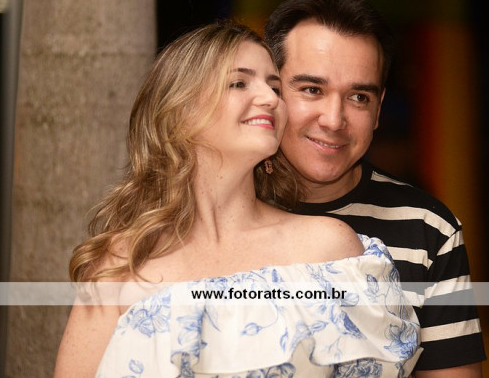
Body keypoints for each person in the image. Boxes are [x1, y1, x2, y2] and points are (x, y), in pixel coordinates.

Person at [53, 21, 422, 377]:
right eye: (239, 83)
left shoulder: (330, 248)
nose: (270, 99)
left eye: (274, 86)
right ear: (181, 110)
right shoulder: (122, 264)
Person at [264, 0, 487, 376]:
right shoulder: (219, 210)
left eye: (358, 97)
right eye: (312, 89)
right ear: (270, 92)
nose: (334, 119)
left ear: (379, 109)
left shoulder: (427, 229)